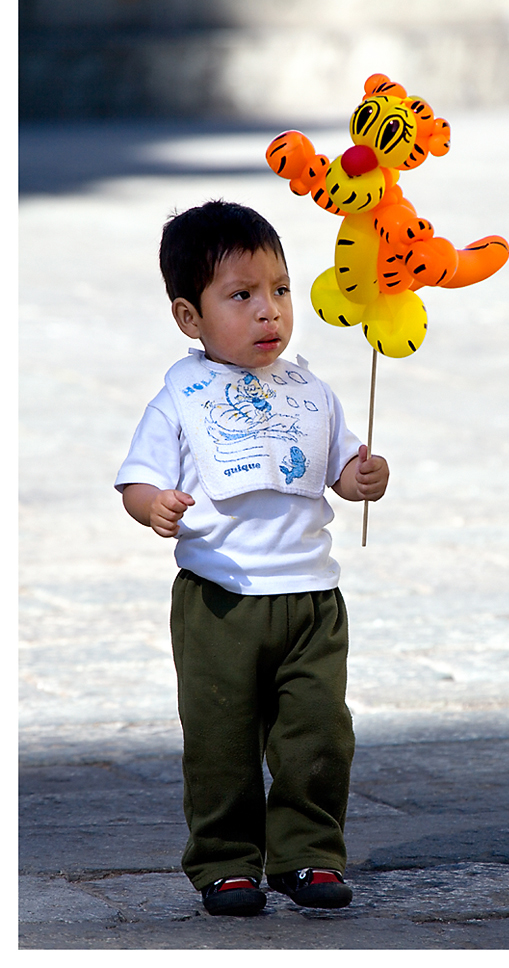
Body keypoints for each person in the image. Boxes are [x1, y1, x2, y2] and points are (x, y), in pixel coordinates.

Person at [115, 200, 389, 917]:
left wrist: (362, 477)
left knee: (318, 732)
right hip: (220, 599)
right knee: (220, 738)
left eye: (279, 290)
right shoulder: (181, 400)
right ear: (188, 317)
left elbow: (340, 468)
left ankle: (307, 854)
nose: (269, 312)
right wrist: (154, 507)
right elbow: (135, 481)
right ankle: (226, 862)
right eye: (240, 296)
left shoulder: (311, 390)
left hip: (310, 600)